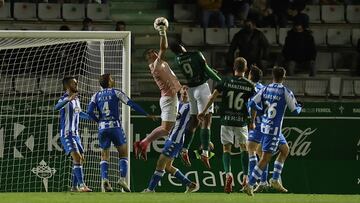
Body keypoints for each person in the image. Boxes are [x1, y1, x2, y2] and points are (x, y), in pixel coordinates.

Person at [87, 74, 154, 192]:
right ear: (108, 82)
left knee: (104, 155)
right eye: (111, 79)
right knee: (123, 153)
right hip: (115, 127)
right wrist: (146, 114)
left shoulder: (95, 96)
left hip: (102, 128)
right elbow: (131, 104)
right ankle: (122, 179)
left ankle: (104, 179)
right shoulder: (116, 92)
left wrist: (99, 120)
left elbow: (89, 112)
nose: (113, 80)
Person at [198, 57, 255, 193]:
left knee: (226, 149)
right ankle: (246, 178)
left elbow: (212, 96)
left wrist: (204, 111)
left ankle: (228, 175)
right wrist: (252, 121)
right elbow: (254, 105)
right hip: (241, 121)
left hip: (226, 119)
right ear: (245, 69)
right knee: (244, 149)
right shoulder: (249, 85)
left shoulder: (226, 81)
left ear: (234, 68)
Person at [243, 67, 303, 196]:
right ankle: (250, 184)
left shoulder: (266, 88)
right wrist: (300, 107)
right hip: (273, 130)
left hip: (265, 126)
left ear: (272, 76)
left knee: (285, 149)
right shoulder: (285, 91)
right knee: (265, 158)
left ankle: (275, 180)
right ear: (284, 77)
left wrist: (263, 110)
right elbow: (295, 111)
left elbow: (252, 104)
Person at [134, 18, 182, 161]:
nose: (154, 53)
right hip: (169, 98)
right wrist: (162, 32)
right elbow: (164, 48)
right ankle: (143, 143)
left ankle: (146, 143)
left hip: (171, 97)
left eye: (153, 52)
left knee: (170, 128)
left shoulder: (160, 64)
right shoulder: (155, 65)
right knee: (166, 129)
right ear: (149, 59)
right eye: (151, 54)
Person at [169, 42, 222, 169]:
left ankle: (184, 150)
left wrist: (206, 73)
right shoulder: (196, 54)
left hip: (191, 90)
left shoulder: (177, 60)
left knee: (193, 121)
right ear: (182, 46)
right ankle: (205, 153)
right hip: (202, 89)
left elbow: (196, 72)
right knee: (206, 121)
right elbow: (207, 71)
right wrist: (221, 81)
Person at [143, 87, 197, 193]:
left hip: (176, 139)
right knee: (168, 166)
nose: (185, 91)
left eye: (187, 90)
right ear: (180, 91)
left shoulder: (190, 106)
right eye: (183, 89)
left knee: (160, 163)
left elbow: (194, 122)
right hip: (171, 138)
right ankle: (189, 184)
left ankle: (150, 189)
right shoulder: (176, 104)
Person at [54, 76, 92, 192]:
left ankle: (74, 187)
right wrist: (68, 99)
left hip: (76, 135)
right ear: (67, 86)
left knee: (81, 159)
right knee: (77, 157)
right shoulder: (64, 98)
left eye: (76, 83)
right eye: (74, 83)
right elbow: (55, 108)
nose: (76, 85)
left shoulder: (76, 100)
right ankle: (82, 185)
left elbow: (79, 113)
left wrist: (92, 118)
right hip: (66, 134)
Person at [246, 65, 270, 192]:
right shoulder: (264, 88)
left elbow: (253, 105)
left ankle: (251, 181)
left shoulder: (251, 88)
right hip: (267, 123)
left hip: (257, 122)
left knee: (250, 149)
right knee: (262, 153)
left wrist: (251, 121)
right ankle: (264, 181)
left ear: (250, 75)